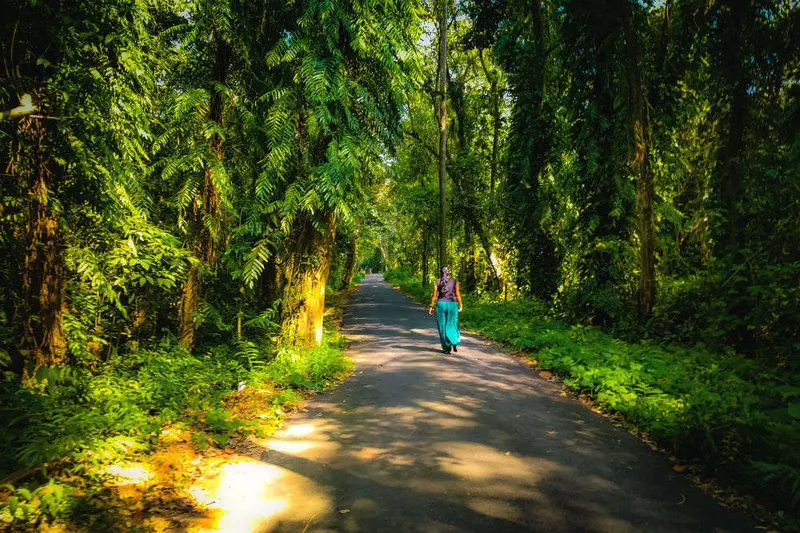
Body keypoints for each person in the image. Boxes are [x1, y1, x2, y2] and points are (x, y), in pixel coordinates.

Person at [428, 266, 463, 354]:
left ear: (440, 273)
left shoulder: (437, 281)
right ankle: (454, 341)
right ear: (449, 273)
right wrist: (460, 305)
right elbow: (458, 294)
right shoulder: (454, 281)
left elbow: (434, 295)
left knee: (442, 326)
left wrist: (431, 306)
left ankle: (447, 349)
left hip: (441, 304)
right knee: (452, 324)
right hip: (452, 305)